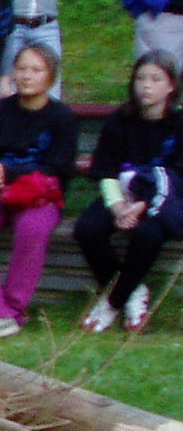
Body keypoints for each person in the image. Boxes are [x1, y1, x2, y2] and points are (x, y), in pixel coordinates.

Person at [0, 44, 78, 337]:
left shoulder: (62, 117)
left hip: (39, 197)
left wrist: (10, 172)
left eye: (36, 70)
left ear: (51, 77)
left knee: (32, 229)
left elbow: (59, 167)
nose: (26, 76)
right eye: (21, 69)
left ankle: (13, 308)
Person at [74, 51, 183, 333]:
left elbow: (177, 176)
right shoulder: (119, 121)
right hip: (122, 195)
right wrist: (118, 207)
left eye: (156, 79)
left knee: (148, 234)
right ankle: (133, 293)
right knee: (87, 229)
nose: (146, 85)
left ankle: (111, 303)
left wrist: (143, 205)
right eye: (141, 78)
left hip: (164, 201)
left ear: (171, 86)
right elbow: (106, 170)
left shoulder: (178, 124)